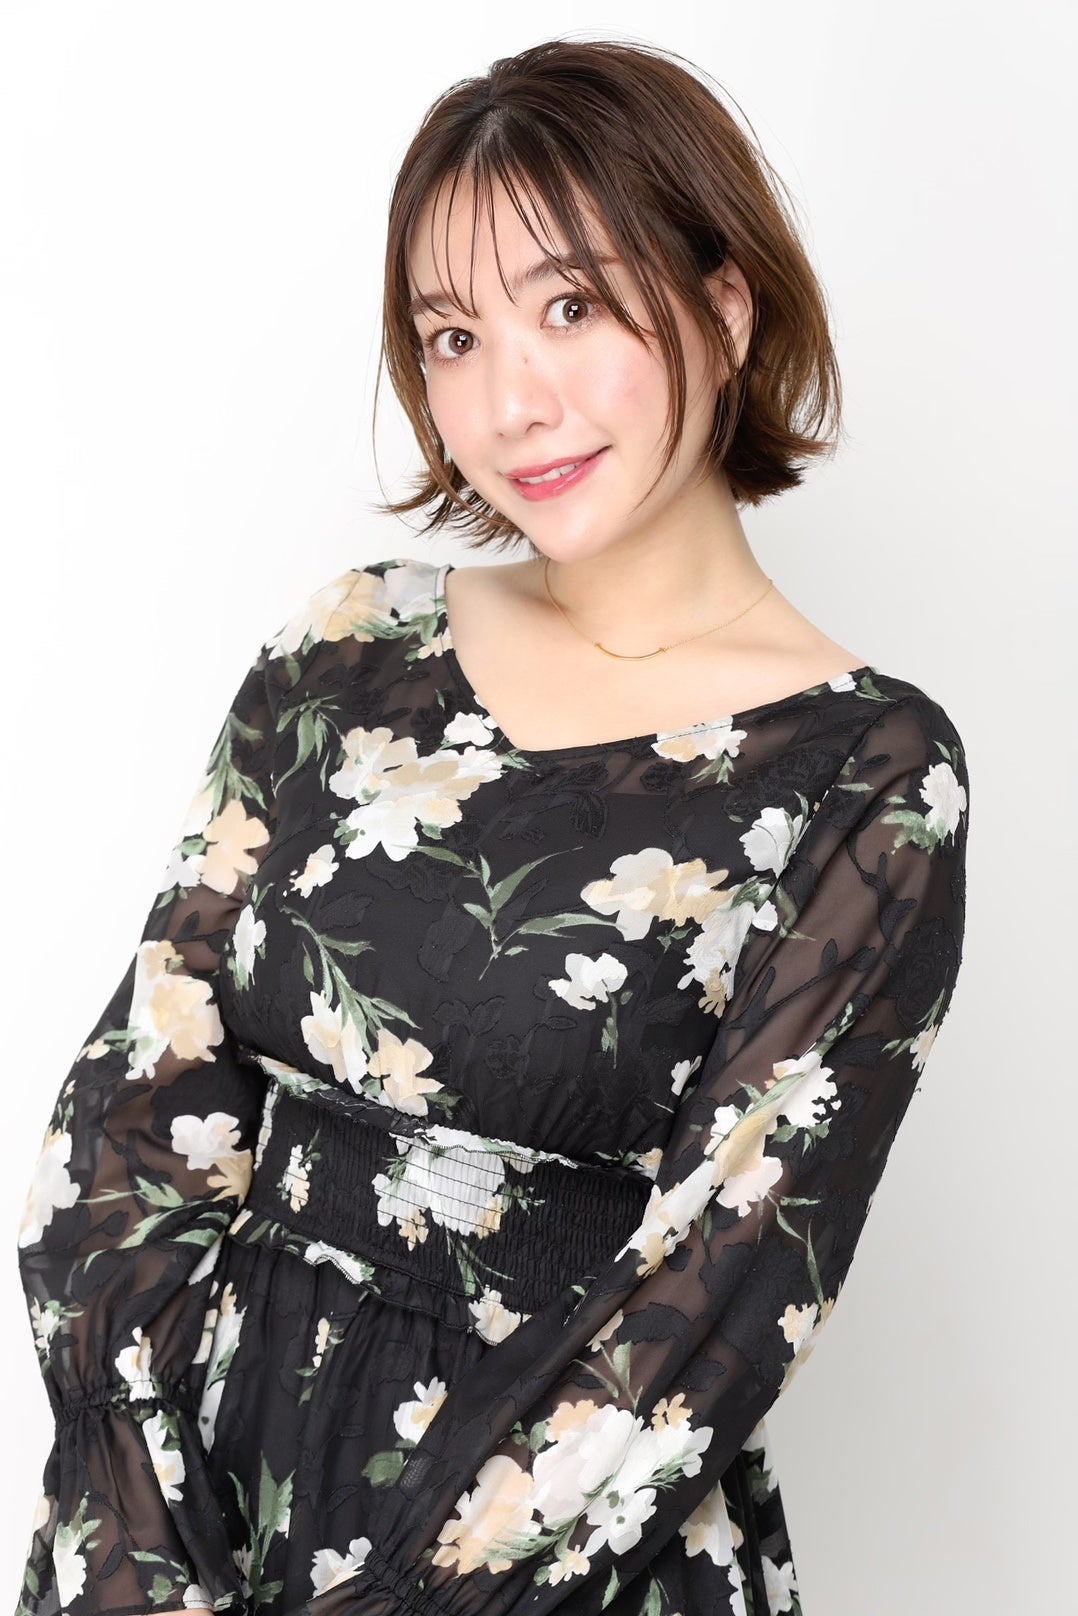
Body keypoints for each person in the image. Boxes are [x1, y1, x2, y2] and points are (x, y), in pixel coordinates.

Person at [15, 36, 970, 1616]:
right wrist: (137, 1516)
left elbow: (722, 1296)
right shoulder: (350, 643)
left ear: (725, 308)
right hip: (188, 1504)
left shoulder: (861, 772)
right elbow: (139, 1091)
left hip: (542, 1559)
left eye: (572, 307)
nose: (510, 400)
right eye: (453, 335)